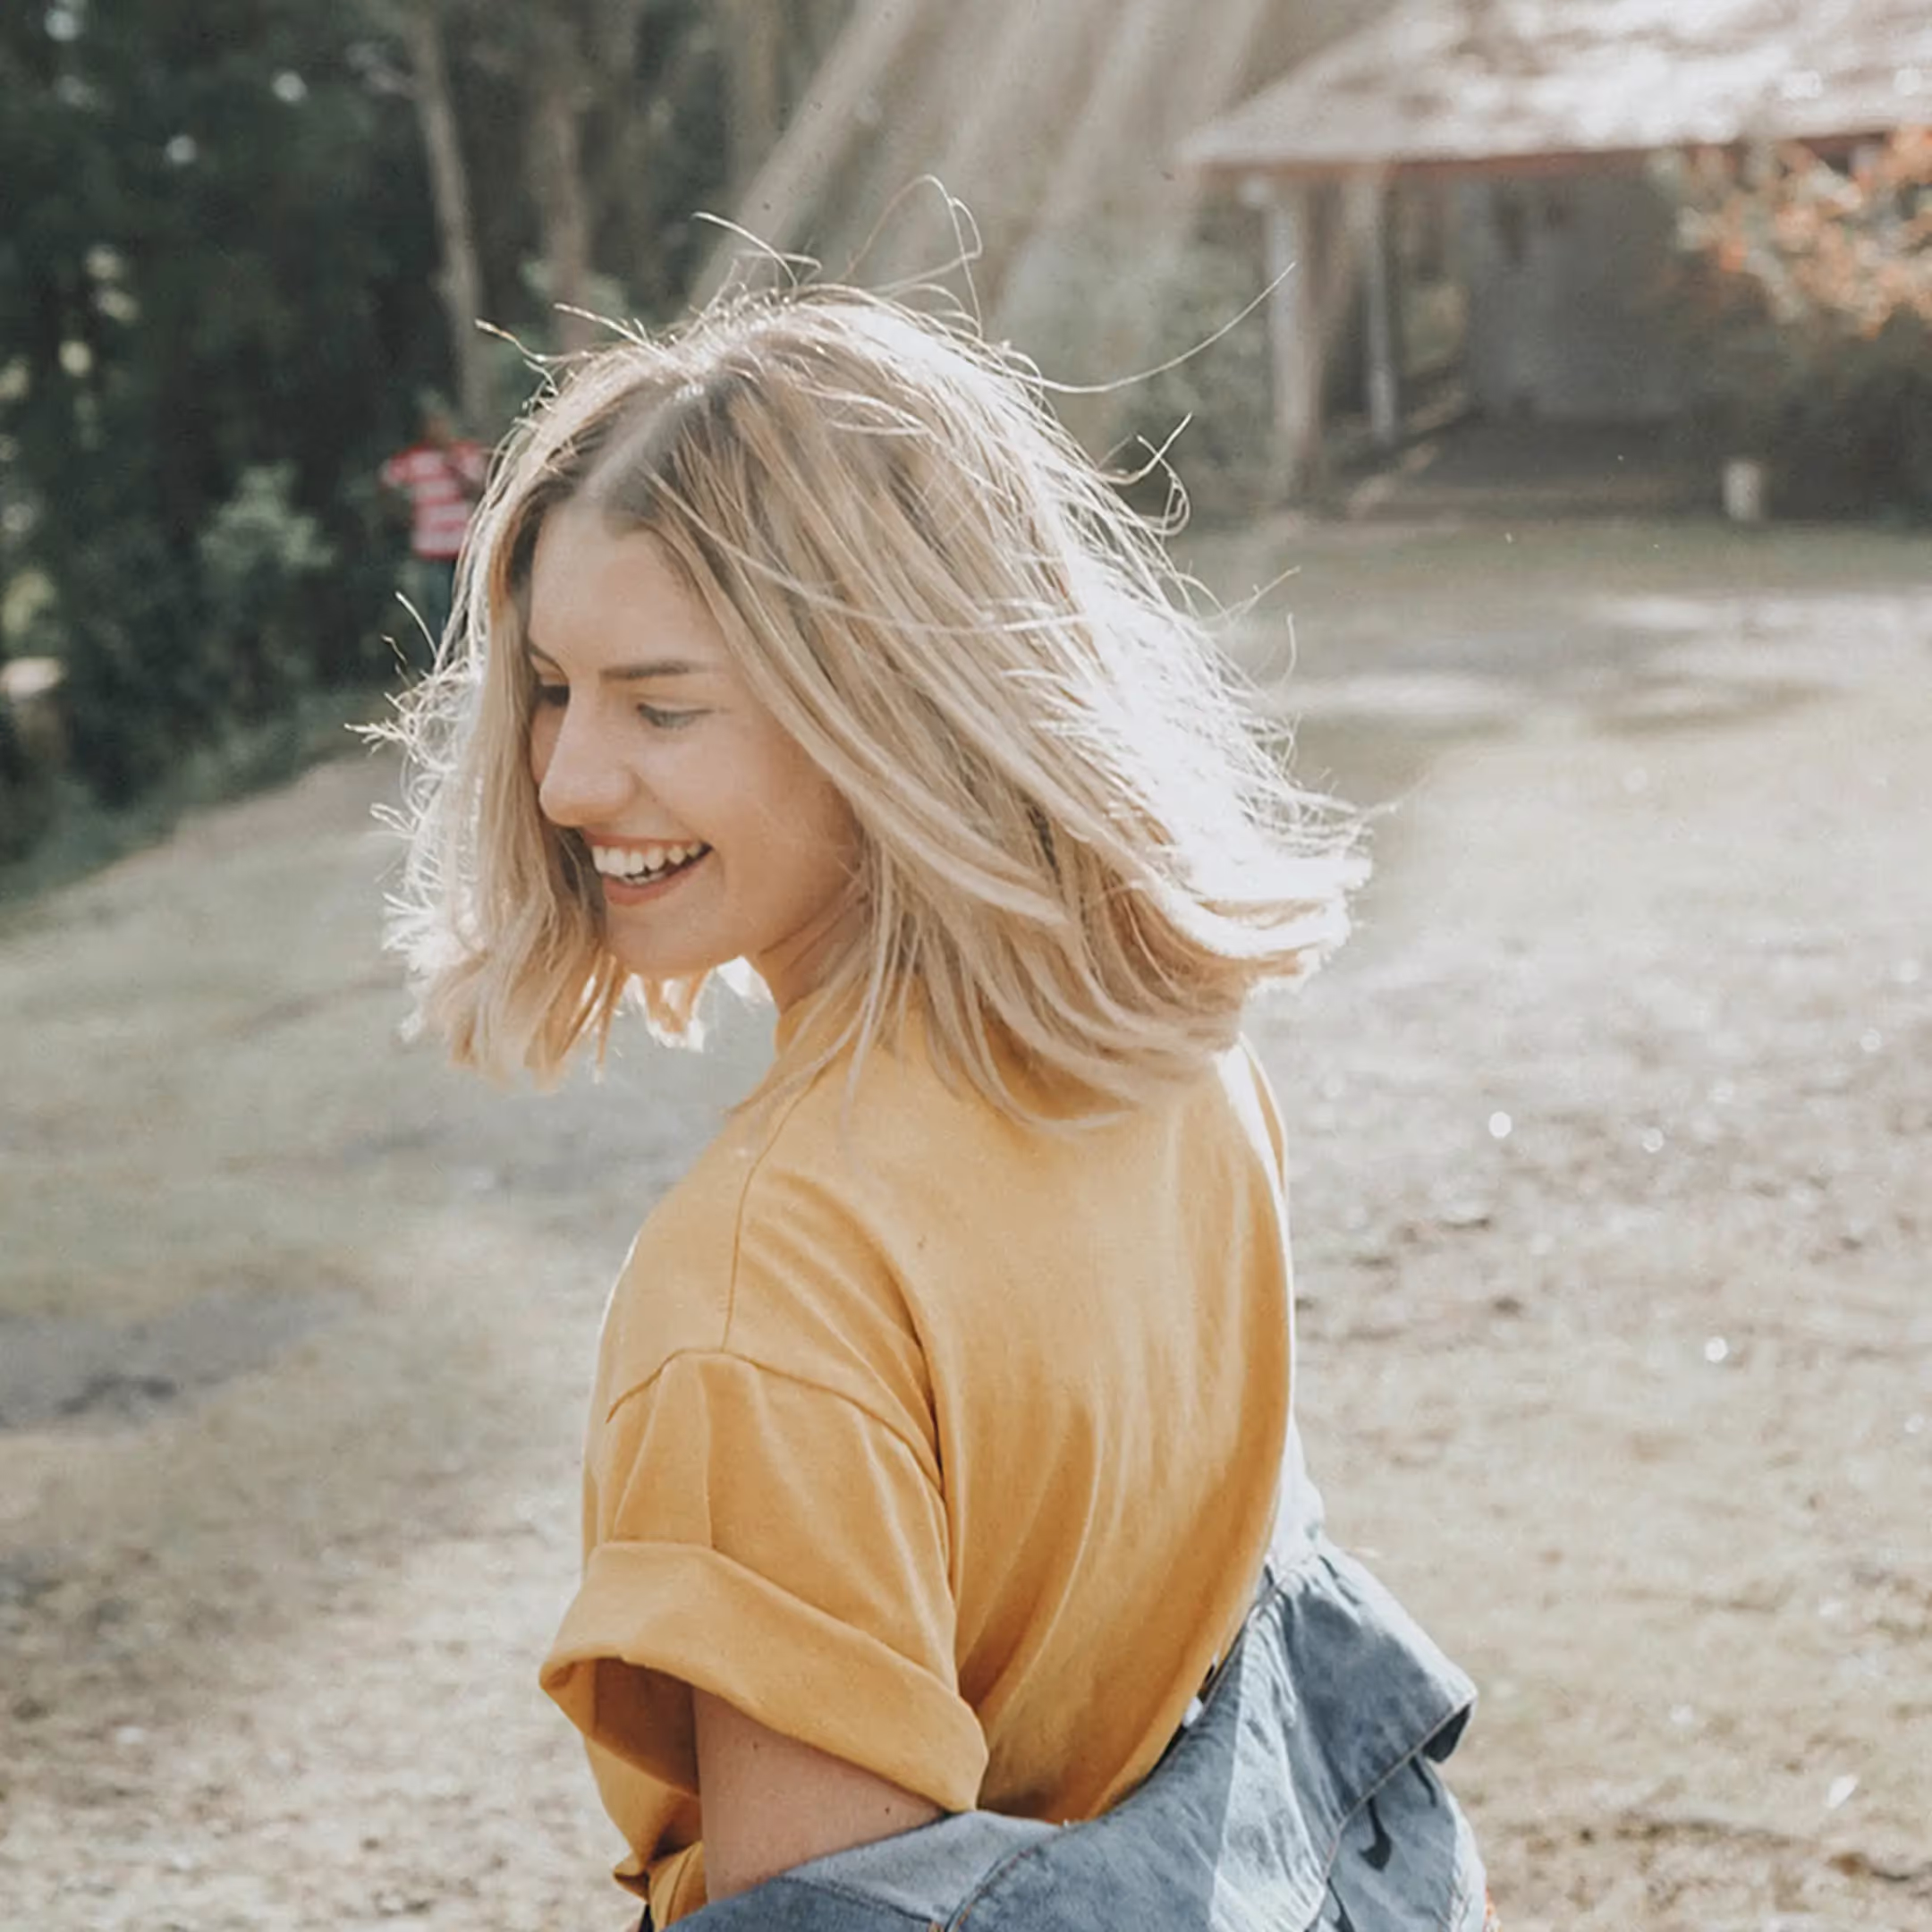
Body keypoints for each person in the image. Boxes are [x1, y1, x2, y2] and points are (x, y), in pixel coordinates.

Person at [384, 286, 1497, 1930]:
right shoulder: (1170, 1053)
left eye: (662, 703)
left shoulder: (767, 1281)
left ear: (886, 703)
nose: (565, 782)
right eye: (553, 688)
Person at [378, 395, 487, 661]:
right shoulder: (414, 459)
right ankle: (443, 666)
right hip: (431, 549)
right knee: (438, 614)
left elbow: (478, 489)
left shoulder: (465, 453)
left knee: (470, 609)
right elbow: (386, 481)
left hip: (463, 547)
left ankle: (472, 660)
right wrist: (403, 514)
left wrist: (452, 462)